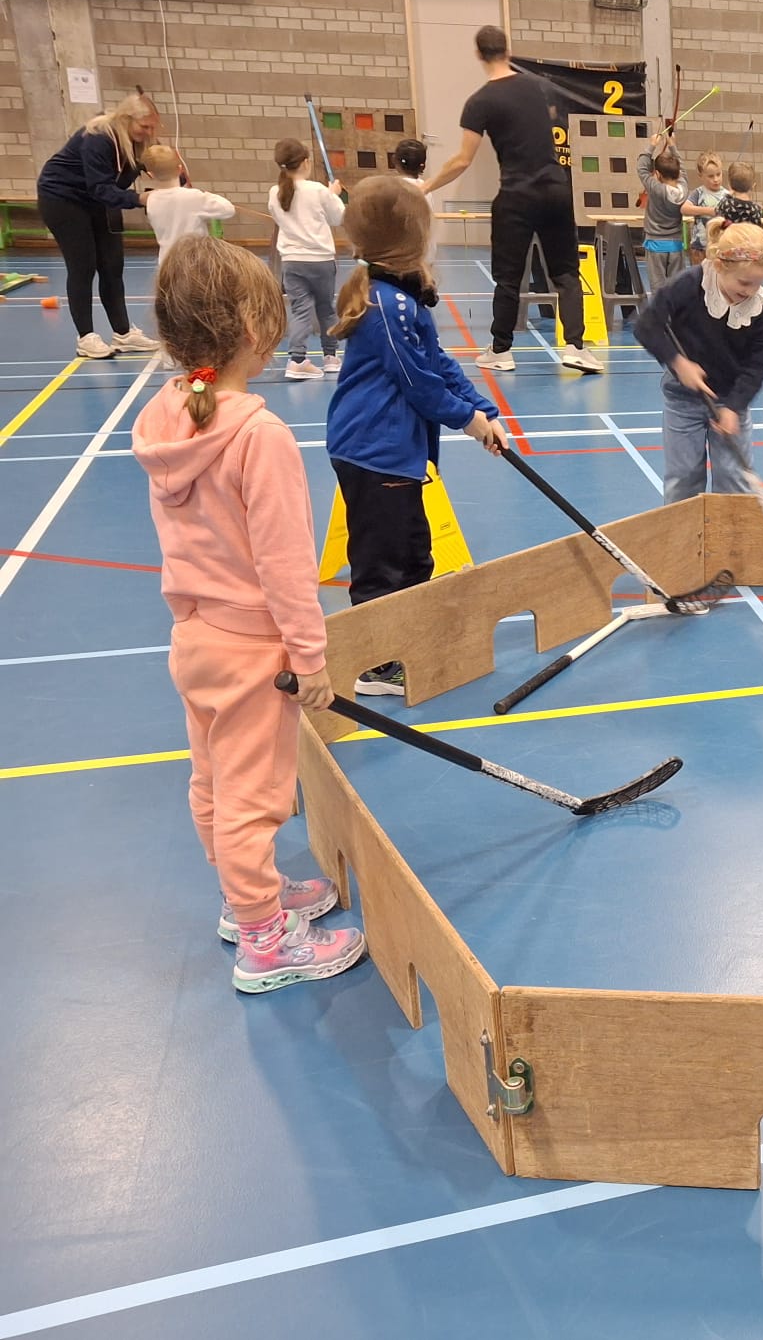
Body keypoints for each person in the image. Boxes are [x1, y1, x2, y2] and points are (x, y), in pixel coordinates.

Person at [130, 236, 366, 993]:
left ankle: (246, 898)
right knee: (252, 799)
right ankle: (264, 939)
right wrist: (309, 659)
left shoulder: (168, 413)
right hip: (251, 652)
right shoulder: (258, 436)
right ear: (254, 329)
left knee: (211, 781)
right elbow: (286, 566)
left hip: (194, 639)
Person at [325, 178, 508, 696]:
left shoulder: (401, 296)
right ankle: (374, 665)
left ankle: (406, 641)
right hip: (374, 451)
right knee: (382, 563)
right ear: (413, 237)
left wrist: (484, 410)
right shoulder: (387, 305)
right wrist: (469, 421)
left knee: (414, 553)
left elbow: (438, 362)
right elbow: (418, 382)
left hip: (395, 453)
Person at [419, 26, 601, 375]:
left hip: (517, 197)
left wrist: (427, 186)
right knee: (566, 273)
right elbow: (549, 118)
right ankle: (576, 347)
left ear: (478, 54)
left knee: (508, 278)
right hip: (556, 190)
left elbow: (462, 160)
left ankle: (500, 350)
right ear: (509, 50)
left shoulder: (479, 102)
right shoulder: (540, 87)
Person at [633, 221, 763, 503]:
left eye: (758, 283)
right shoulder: (689, 285)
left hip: (730, 402)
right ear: (720, 266)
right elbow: (646, 325)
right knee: (684, 478)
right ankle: (683, 530)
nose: (750, 291)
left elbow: (756, 367)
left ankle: (732, 531)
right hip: (683, 401)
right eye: (744, 283)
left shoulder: (761, 312)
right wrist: (678, 363)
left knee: (734, 479)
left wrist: (734, 407)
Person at [33, 91, 164, 358]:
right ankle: (86, 337)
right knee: (83, 266)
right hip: (63, 198)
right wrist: (139, 199)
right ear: (126, 119)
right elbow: (101, 188)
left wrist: (165, 174)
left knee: (112, 265)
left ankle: (123, 333)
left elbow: (121, 181)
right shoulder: (99, 137)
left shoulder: (136, 141)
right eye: (145, 126)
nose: (149, 133)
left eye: (153, 127)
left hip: (98, 200)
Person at [268, 138, 348, 380]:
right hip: (321, 260)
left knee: (300, 311)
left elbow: (279, 217)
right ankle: (331, 357)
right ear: (305, 162)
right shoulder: (318, 190)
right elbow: (339, 217)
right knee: (326, 309)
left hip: (292, 261)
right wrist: (334, 195)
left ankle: (297, 360)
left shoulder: (275, 192)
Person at [138, 145, 234, 256]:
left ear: (150, 174)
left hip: (167, 260)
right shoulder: (194, 197)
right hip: (194, 260)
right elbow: (228, 210)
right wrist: (207, 196)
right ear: (180, 169)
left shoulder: (151, 200)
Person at [638, 132, 690, 290]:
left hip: (656, 245)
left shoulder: (656, 189)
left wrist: (651, 146)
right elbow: (683, 171)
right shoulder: (684, 188)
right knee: (676, 288)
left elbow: (641, 168)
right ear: (677, 173)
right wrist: (672, 146)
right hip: (675, 245)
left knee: (658, 288)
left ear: (658, 174)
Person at [683, 151, 725, 266]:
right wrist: (708, 211)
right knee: (698, 276)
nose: (716, 179)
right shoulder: (698, 193)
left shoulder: (727, 195)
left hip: (720, 247)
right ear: (701, 175)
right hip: (699, 248)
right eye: (711, 176)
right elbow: (684, 209)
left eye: (718, 174)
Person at [716, 162, 763, 229]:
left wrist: (728, 195)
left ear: (729, 185)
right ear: (753, 186)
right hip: (749, 235)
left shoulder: (726, 204)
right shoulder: (756, 209)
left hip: (730, 235)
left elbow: (717, 212)